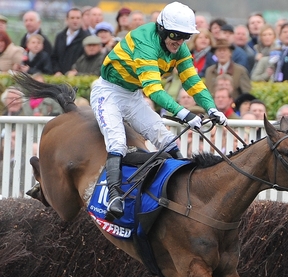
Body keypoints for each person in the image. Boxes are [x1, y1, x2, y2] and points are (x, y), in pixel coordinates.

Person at [91, 2, 226, 220]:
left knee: (166, 139)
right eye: (175, 35)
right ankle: (114, 196)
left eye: (185, 36)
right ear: (162, 29)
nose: (180, 41)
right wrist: (184, 113)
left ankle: (184, 187)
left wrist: (212, 107)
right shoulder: (145, 40)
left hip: (132, 95)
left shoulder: (178, 47)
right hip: (108, 93)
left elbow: (192, 81)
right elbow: (153, 89)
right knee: (117, 141)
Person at [51, 8, 91, 75]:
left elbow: (87, 59)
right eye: (72, 18)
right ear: (67, 20)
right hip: (59, 77)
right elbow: (54, 57)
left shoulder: (87, 38)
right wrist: (57, 71)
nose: (75, 21)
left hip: (76, 77)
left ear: (81, 20)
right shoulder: (60, 37)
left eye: (78, 18)